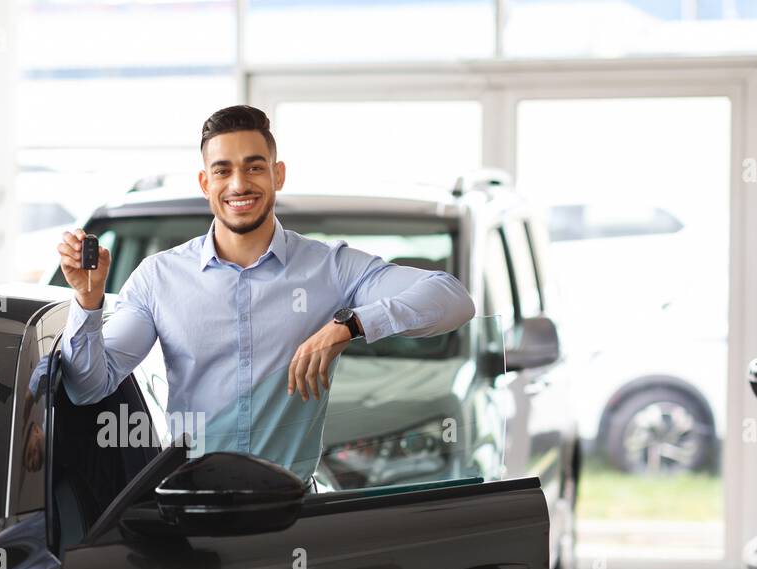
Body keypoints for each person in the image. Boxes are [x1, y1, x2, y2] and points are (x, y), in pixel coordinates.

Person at [55, 104, 476, 486]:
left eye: (254, 167)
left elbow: (453, 299)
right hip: (192, 512)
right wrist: (88, 303)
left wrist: (350, 325)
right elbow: (89, 387)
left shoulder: (330, 267)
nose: (239, 184)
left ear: (278, 174)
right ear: (206, 182)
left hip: (291, 517)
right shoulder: (157, 278)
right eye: (222, 171)